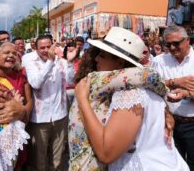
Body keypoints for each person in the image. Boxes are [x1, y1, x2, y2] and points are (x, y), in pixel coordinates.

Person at [73, 27, 188, 170]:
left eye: (102, 55)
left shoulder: (129, 94)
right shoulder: (145, 87)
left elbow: (106, 153)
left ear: (120, 63)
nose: (96, 59)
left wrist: (82, 101)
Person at [22, 35, 76, 171]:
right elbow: (36, 83)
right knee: (39, 159)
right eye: (42, 48)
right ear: (35, 48)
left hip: (60, 116)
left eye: (48, 47)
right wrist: (50, 62)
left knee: (57, 158)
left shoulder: (61, 61)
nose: (46, 50)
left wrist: (70, 63)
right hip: (40, 119)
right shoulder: (29, 60)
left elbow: (70, 81)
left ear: (53, 46)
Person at [152, 25, 194, 170]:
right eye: (168, 44)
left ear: (187, 40)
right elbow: (152, 87)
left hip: (192, 124)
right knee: (172, 165)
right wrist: (175, 82)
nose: (172, 47)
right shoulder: (159, 61)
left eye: (176, 43)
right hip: (169, 123)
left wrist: (187, 94)